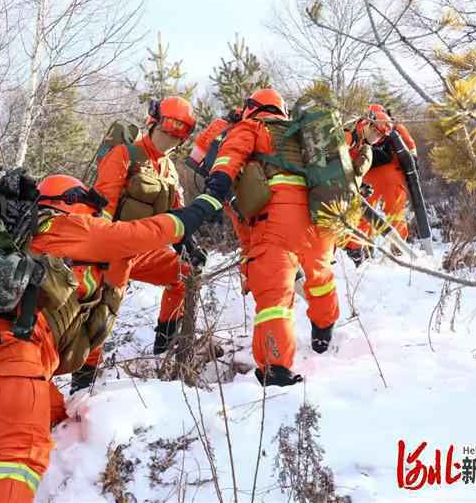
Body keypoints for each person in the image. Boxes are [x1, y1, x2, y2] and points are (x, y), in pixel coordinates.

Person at [0, 174, 221, 502]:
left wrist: (186, 267)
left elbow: (144, 260)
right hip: (7, 349)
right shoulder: (65, 227)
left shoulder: (40, 240)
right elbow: (138, 234)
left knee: (56, 419)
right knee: (21, 452)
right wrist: (199, 210)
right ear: (75, 204)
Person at [202, 88, 340, 387]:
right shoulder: (303, 133)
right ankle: (324, 327)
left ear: (252, 108)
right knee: (320, 276)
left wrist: (216, 187)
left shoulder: (252, 127)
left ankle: (276, 369)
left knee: (275, 295)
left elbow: (229, 156)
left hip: (279, 216)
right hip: (319, 215)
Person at [88, 96, 197, 362]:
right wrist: (100, 251)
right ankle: (85, 374)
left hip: (145, 251)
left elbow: (177, 213)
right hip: (113, 247)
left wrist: (188, 243)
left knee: (184, 274)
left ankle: (164, 347)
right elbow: (104, 204)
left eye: (178, 134)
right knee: (104, 313)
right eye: (167, 130)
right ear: (153, 122)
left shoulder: (170, 170)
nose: (171, 138)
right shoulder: (125, 155)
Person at [345, 104, 418, 266]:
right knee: (395, 213)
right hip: (391, 176)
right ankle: (399, 252)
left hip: (366, 177)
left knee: (363, 214)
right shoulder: (395, 127)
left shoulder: (357, 129)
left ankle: (357, 252)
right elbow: (412, 152)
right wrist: (410, 171)